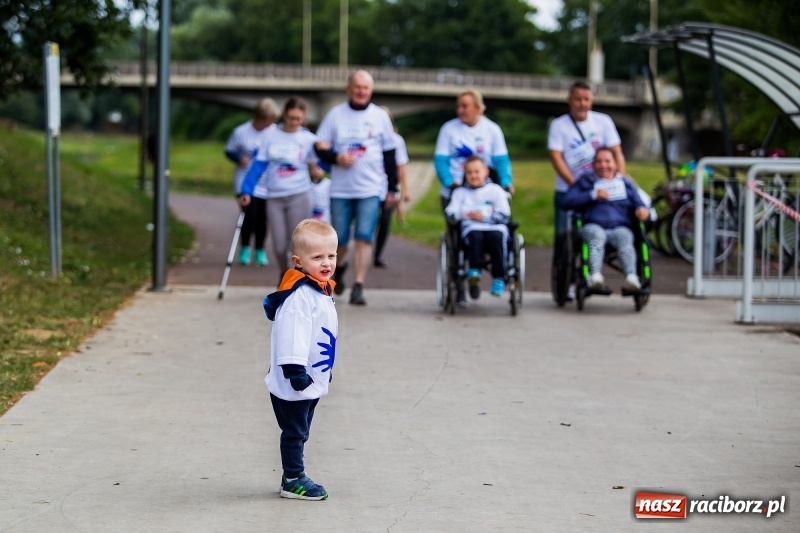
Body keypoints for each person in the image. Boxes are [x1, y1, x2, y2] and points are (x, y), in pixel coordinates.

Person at [261, 218, 339, 501]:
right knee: (294, 431)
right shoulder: (299, 297)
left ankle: (291, 474)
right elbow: (292, 336)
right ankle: (293, 479)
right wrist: (296, 372)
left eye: (331, 255)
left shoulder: (320, 289)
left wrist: (324, 371)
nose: (326, 262)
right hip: (297, 380)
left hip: (311, 378)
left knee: (301, 429)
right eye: (317, 257)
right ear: (298, 260)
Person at [313, 69, 398, 306]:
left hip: (370, 188)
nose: (362, 92)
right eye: (358, 87)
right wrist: (336, 157)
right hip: (341, 189)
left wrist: (393, 189)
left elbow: (391, 155)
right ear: (348, 88)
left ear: (371, 91)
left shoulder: (379, 116)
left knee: (364, 236)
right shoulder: (335, 115)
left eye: (366, 88)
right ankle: (340, 267)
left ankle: (359, 285)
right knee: (340, 239)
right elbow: (319, 145)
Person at [434, 89, 512, 306]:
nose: (460, 110)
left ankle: (485, 277)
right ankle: (460, 288)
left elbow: (501, 161)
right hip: (457, 192)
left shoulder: (492, 130)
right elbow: (441, 161)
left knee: (491, 237)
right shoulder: (449, 129)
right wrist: (451, 182)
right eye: (458, 106)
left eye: (465, 106)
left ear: (477, 108)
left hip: (486, 191)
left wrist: (505, 183)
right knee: (456, 242)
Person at [548, 81, 625, 299]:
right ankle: (567, 281)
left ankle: (594, 272)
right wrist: (575, 185)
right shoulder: (559, 125)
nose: (582, 104)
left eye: (586, 99)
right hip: (570, 189)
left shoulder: (603, 122)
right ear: (569, 100)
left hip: (603, 190)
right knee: (565, 236)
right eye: (578, 99)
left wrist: (618, 179)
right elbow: (556, 156)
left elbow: (617, 152)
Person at [239, 96, 324, 278]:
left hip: (299, 194)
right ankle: (285, 273)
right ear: (284, 115)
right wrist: (246, 190)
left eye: (299, 119)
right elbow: (258, 166)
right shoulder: (271, 136)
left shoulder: (308, 138)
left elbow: (321, 164)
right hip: (275, 196)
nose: (295, 122)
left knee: (297, 242)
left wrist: (318, 170)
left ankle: (296, 279)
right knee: (278, 245)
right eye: (291, 118)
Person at [559, 147, 649, 290]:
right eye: (599, 162)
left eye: (607, 161)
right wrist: (592, 195)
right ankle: (595, 276)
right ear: (594, 165)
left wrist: (641, 210)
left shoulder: (625, 184)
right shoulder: (586, 181)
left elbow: (639, 203)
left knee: (625, 238)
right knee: (596, 236)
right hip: (592, 225)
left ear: (615, 164)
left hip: (619, 226)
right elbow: (565, 202)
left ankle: (632, 276)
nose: (604, 165)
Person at [444, 156, 511, 302]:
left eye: (476, 171)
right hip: (472, 228)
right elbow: (450, 213)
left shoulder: (496, 191)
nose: (473, 175)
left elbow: (505, 214)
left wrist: (484, 216)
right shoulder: (460, 193)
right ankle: (474, 271)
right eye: (469, 172)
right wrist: (464, 214)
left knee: (496, 238)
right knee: (476, 236)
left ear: (486, 172)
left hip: (495, 227)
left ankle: (499, 277)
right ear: (465, 174)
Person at [225, 98, 279, 266]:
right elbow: (229, 150)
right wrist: (239, 158)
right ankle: (245, 248)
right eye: (266, 120)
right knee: (249, 215)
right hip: (245, 181)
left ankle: (260, 249)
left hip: (267, 182)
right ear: (258, 117)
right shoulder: (241, 132)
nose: (269, 124)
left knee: (263, 218)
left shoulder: (275, 132)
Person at [373, 106, 411, 268]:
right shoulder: (369, 138)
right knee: (370, 221)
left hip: (389, 187)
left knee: (385, 220)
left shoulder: (396, 140)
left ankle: (377, 255)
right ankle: (365, 248)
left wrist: (405, 189)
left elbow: (401, 167)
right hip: (371, 186)